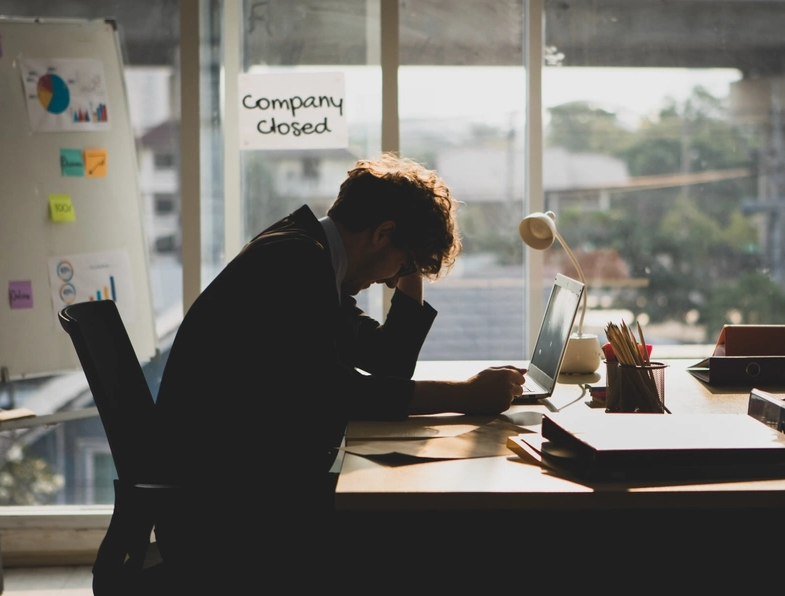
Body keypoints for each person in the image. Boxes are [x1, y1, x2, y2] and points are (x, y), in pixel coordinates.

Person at [152, 154, 525, 590]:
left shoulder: (312, 257)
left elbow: (387, 360)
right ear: (383, 233)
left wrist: (413, 260)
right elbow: (335, 395)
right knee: (431, 537)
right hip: (226, 511)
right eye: (403, 266)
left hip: (236, 485)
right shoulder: (294, 261)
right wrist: (463, 396)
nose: (392, 282)